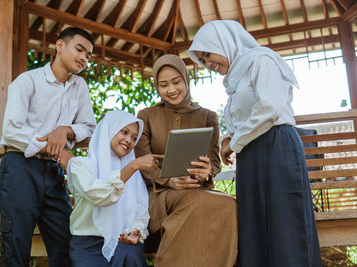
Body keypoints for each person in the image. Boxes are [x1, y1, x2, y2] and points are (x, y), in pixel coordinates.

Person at [188, 20, 322, 267]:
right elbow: (246, 117)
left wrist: (235, 142)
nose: (208, 64)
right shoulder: (234, 79)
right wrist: (231, 137)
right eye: (203, 61)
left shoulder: (261, 60)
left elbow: (269, 108)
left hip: (277, 148)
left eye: (208, 54)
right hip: (252, 155)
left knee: (285, 225)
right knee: (255, 226)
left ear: (223, 41)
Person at [0, 27, 96, 266]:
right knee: (16, 246)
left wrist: (65, 131)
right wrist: (48, 144)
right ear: (60, 46)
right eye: (80, 49)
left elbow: (89, 127)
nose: (84, 58)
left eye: (89, 55)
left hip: (54, 172)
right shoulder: (27, 81)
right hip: (20, 166)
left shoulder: (79, 86)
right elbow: (11, 131)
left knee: (67, 243)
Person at [135, 54, 238, 267]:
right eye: (163, 85)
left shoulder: (208, 116)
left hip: (196, 188)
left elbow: (214, 160)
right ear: (157, 86)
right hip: (160, 194)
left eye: (176, 82)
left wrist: (207, 171)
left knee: (229, 204)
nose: (171, 89)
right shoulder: (146, 116)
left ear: (186, 80)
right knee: (196, 201)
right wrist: (170, 181)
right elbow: (143, 162)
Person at [57, 110, 163, 267]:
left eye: (134, 138)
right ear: (109, 130)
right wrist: (133, 165)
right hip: (88, 243)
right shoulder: (81, 165)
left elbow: (140, 209)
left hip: (123, 241)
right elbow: (101, 196)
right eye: (124, 132)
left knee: (131, 256)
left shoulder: (134, 175)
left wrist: (135, 232)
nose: (129, 140)